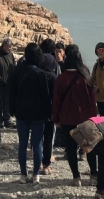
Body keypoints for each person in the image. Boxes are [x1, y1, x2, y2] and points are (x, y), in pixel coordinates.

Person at [52, 44, 97, 187]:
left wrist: (56, 118)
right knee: (89, 147)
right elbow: (92, 100)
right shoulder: (86, 77)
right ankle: (94, 175)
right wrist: (94, 118)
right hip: (85, 118)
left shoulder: (61, 78)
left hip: (67, 118)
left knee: (70, 149)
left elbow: (56, 101)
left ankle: (76, 177)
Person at [10, 43, 52, 185]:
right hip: (38, 113)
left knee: (22, 144)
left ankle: (23, 174)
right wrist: (48, 112)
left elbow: (12, 92)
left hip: (21, 112)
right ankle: (36, 175)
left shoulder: (17, 71)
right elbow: (45, 96)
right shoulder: (40, 73)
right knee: (37, 144)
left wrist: (12, 110)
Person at [38, 38, 59, 174]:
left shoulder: (37, 72)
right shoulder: (53, 76)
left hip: (37, 108)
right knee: (49, 138)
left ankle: (38, 162)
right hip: (50, 109)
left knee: (37, 137)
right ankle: (46, 164)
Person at [0, 38, 16, 128]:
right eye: (9, 46)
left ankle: (7, 120)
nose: (10, 48)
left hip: (8, 84)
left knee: (7, 103)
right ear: (4, 46)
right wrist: (0, 80)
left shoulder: (11, 55)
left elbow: (13, 67)